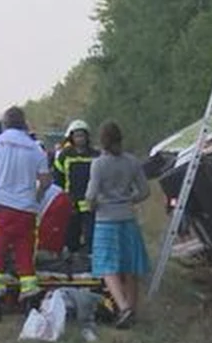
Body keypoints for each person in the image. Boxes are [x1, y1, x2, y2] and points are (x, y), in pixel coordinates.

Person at [0, 106, 52, 323]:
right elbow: (45, 182)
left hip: (1, 210)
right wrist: (36, 196)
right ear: (24, 123)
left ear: (4, 123)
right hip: (26, 212)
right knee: (25, 258)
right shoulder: (35, 149)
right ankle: (30, 303)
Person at [84, 120, 151, 329]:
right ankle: (133, 308)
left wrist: (93, 206)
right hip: (127, 219)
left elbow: (91, 195)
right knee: (130, 266)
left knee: (107, 267)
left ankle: (123, 307)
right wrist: (129, 200)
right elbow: (145, 191)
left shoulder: (99, 164)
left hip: (106, 221)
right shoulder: (132, 162)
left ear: (101, 141)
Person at [52, 119, 99, 256]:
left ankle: (91, 263)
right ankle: (72, 264)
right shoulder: (64, 156)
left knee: (91, 236)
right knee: (70, 238)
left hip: (91, 204)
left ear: (87, 137)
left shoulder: (95, 155)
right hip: (70, 204)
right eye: (77, 136)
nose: (80, 139)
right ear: (71, 137)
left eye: (82, 135)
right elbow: (58, 177)